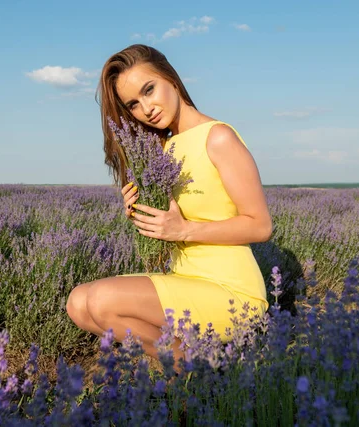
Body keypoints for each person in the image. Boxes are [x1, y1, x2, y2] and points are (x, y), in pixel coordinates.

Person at [66, 44, 272, 365]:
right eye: (133, 104)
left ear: (171, 79)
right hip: (185, 280)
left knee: (102, 301)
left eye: (149, 90)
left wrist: (184, 230)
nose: (146, 108)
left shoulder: (217, 137)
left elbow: (260, 225)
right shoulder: (162, 147)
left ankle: (186, 365)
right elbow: (168, 228)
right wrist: (139, 210)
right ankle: (185, 370)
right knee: (78, 303)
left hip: (231, 290)